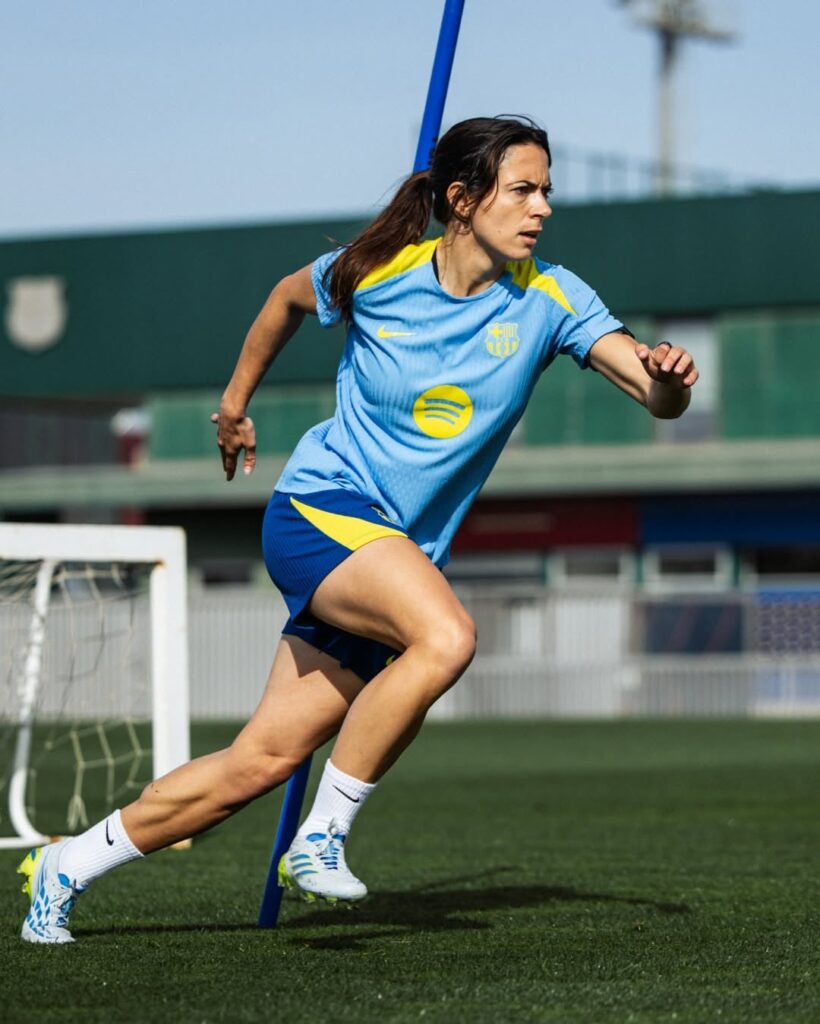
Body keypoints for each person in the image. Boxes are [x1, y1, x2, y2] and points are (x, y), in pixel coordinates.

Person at [18, 115, 698, 943]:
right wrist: (234, 406)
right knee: (445, 636)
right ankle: (324, 835)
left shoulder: (554, 297)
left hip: (386, 560)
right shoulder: (378, 271)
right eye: (523, 188)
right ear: (462, 198)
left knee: (257, 765)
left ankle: (66, 866)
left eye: (547, 189)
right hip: (320, 511)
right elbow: (285, 300)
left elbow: (654, 395)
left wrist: (669, 378)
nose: (543, 207)